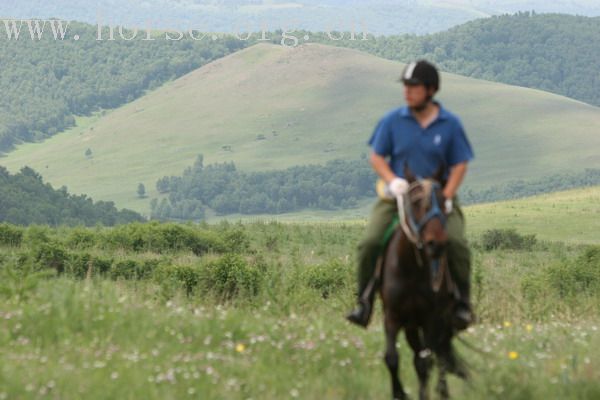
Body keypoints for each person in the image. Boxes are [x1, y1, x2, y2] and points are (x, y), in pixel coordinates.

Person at [346, 60, 475, 328]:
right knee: (370, 242)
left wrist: (448, 195)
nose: (407, 91)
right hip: (400, 198)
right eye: (406, 86)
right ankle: (364, 302)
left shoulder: (450, 124)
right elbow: (377, 156)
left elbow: (461, 163)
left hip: (439, 199)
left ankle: (462, 303)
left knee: (457, 243)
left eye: (413, 86)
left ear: (430, 90)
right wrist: (392, 181)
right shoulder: (392, 120)